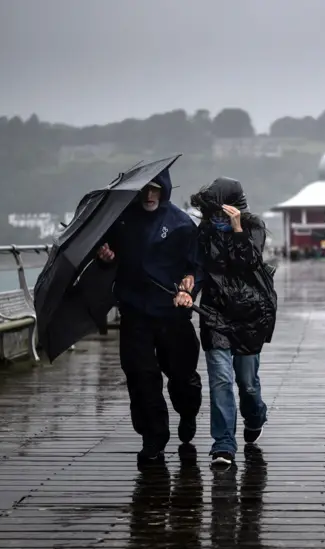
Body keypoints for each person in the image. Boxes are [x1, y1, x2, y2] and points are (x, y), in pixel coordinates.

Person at [97, 168, 203, 466]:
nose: (149, 195)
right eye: (144, 190)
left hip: (172, 312)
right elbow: (111, 262)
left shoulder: (182, 224)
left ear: (164, 189)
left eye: (155, 189)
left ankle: (188, 411)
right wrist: (106, 260)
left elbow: (195, 267)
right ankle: (153, 438)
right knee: (141, 377)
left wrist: (189, 288)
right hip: (134, 312)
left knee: (182, 376)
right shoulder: (120, 222)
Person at [178, 177, 277, 468]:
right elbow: (197, 268)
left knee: (247, 384)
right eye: (213, 213)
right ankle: (223, 443)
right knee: (221, 380)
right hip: (215, 313)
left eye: (222, 212)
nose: (217, 218)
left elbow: (248, 263)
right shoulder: (204, 232)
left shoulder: (253, 226)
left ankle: (256, 415)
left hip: (250, 313)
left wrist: (236, 230)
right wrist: (187, 290)